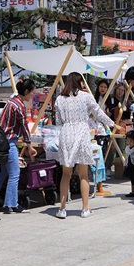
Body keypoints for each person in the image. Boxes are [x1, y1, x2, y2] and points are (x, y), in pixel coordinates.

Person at [55, 72, 118, 219]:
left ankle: (62, 209)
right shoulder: (86, 97)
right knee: (83, 174)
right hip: (82, 133)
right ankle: (85, 209)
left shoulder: (59, 99)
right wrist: (113, 124)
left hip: (66, 133)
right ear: (80, 83)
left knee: (66, 174)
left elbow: (58, 121)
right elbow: (99, 113)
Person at [0, 79, 38, 215]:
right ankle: (12, 204)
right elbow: (24, 126)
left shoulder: (11, 101)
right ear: (26, 91)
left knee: (3, 172)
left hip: (1, 142)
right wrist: (29, 145)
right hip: (9, 143)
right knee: (14, 174)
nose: (33, 94)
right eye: (32, 91)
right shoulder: (19, 105)